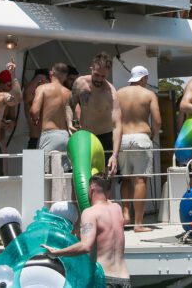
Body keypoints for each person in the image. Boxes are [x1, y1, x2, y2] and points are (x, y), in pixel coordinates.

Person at [42, 173, 130, 288]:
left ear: (91, 188)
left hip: (105, 279)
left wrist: (57, 253)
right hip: (125, 279)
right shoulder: (117, 208)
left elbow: (85, 246)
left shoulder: (90, 213)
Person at [116, 65, 161, 233]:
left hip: (123, 139)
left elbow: (114, 118)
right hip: (141, 136)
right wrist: (153, 135)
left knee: (126, 179)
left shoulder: (119, 93)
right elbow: (157, 120)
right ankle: (139, 223)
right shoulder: (149, 94)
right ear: (143, 78)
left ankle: (126, 214)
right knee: (140, 180)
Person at [66, 52, 122, 175]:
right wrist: (70, 121)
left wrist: (115, 155)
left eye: (103, 76)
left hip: (105, 138)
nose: (99, 79)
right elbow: (69, 104)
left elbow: (117, 126)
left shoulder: (111, 93)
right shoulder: (80, 83)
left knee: (104, 179)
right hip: (85, 136)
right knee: (79, 176)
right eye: (96, 75)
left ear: (108, 74)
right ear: (91, 69)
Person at [29, 63, 71, 172]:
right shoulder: (69, 93)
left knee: (45, 174)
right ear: (65, 77)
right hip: (65, 136)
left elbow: (34, 111)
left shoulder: (43, 88)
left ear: (51, 73)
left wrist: (35, 119)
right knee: (62, 175)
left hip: (49, 135)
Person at [23, 69, 50, 149]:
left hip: (49, 139)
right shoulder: (32, 97)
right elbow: (26, 96)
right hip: (35, 139)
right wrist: (39, 77)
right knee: (32, 161)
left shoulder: (50, 95)